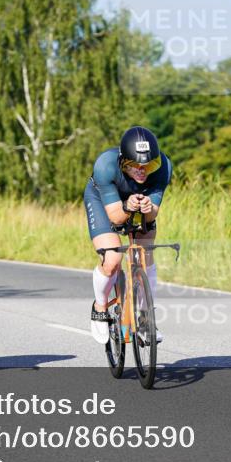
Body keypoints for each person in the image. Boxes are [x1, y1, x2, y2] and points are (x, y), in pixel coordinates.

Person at [83, 126, 172, 345]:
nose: (143, 171)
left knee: (146, 251)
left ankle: (145, 317)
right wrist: (127, 205)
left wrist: (147, 207)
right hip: (104, 201)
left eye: (149, 165)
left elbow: (152, 215)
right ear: (123, 162)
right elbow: (116, 218)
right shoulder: (105, 166)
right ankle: (100, 306)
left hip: (137, 202)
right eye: (135, 165)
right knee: (112, 259)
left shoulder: (164, 167)